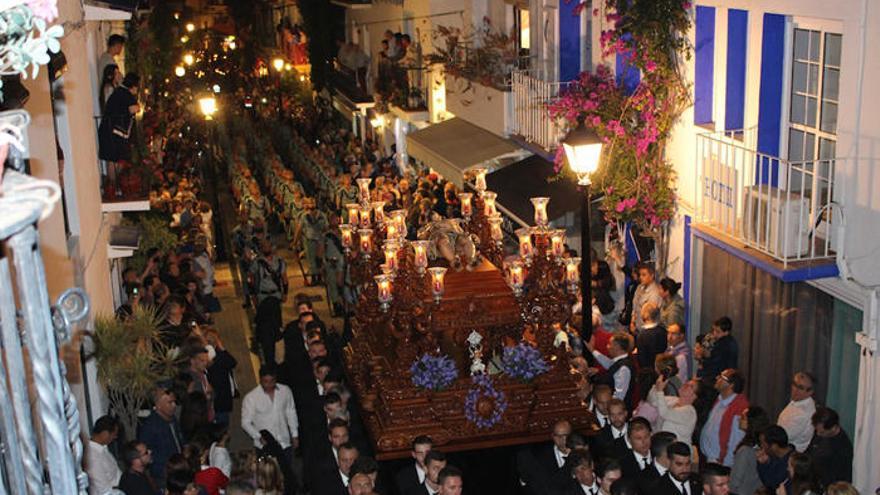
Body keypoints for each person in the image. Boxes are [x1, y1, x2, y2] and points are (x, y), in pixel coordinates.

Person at [241, 365, 300, 485]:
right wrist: (258, 436)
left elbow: (290, 411)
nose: (269, 385)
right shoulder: (251, 398)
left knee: (286, 475)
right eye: (265, 382)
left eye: (272, 381)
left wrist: (294, 434)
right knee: (269, 477)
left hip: (284, 442)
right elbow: (245, 422)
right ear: (260, 379)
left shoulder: (285, 391)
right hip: (264, 445)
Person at [699, 368, 748, 467]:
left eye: (722, 377)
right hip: (710, 458)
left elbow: (736, 439)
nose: (717, 378)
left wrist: (726, 464)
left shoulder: (739, 408)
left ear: (731, 385)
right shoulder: (720, 400)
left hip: (721, 462)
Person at [250, 240, 288, 365]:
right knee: (263, 322)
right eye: (263, 246)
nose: (266, 248)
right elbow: (251, 278)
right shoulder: (257, 263)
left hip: (275, 295)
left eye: (268, 245)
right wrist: (253, 295)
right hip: (263, 296)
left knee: (277, 323)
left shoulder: (280, 262)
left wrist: (285, 292)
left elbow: (284, 278)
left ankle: (278, 348)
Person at [138, 386, 183, 488]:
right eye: (170, 403)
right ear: (158, 405)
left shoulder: (173, 419)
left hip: (178, 469)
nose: (174, 405)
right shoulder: (150, 426)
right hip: (163, 475)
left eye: (174, 402)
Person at [806, 406, 853, 486]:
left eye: (822, 432)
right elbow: (809, 452)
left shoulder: (843, 448)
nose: (818, 434)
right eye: (816, 430)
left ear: (834, 428)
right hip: (812, 479)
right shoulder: (820, 431)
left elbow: (841, 480)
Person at [730, 406, 771, 495]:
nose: (739, 420)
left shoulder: (745, 450)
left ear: (752, 422)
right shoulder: (765, 446)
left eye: (743, 418)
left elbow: (734, 482)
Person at [589, 331, 635, 406]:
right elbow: (609, 363)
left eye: (609, 344)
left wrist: (607, 409)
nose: (607, 346)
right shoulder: (621, 361)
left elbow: (619, 396)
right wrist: (592, 350)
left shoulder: (624, 368)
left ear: (617, 347)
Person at [649, 374, 698, 443]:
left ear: (694, 396)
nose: (685, 385)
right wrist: (656, 388)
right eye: (687, 383)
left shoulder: (690, 412)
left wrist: (660, 391)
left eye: (691, 386)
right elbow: (652, 401)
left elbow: (665, 413)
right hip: (660, 444)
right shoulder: (674, 399)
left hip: (676, 450)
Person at [777, 372, 817, 452]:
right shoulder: (798, 401)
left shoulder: (804, 413)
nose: (795, 390)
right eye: (794, 384)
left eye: (800, 388)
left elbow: (782, 438)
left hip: (791, 455)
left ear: (810, 392)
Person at [86, 415, 122, 495]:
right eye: (114, 435)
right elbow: (102, 488)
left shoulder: (103, 449)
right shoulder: (92, 455)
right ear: (105, 434)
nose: (115, 437)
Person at [756, 425, 795, 491]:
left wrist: (762, 465)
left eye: (763, 444)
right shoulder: (774, 456)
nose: (761, 447)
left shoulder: (791, 463)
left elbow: (771, 484)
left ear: (774, 446)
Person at [630, 262, 663, 331]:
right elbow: (635, 306)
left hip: (648, 329)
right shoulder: (639, 287)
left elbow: (650, 314)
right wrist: (632, 322)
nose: (641, 277)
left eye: (644, 275)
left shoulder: (655, 292)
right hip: (637, 326)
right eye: (640, 275)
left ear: (652, 276)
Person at [634, 302, 667, 370]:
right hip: (662, 367)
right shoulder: (663, 331)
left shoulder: (642, 335)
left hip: (648, 370)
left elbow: (642, 358)